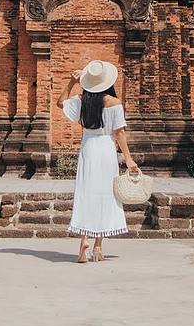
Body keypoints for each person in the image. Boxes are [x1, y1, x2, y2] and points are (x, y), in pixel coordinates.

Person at [56, 59, 140, 263]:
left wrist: (70, 82)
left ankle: (83, 240)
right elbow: (119, 133)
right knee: (105, 195)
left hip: (88, 148)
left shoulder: (81, 100)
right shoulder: (114, 103)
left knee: (86, 193)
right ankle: (98, 247)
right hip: (106, 150)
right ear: (108, 82)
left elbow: (60, 103)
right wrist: (128, 159)